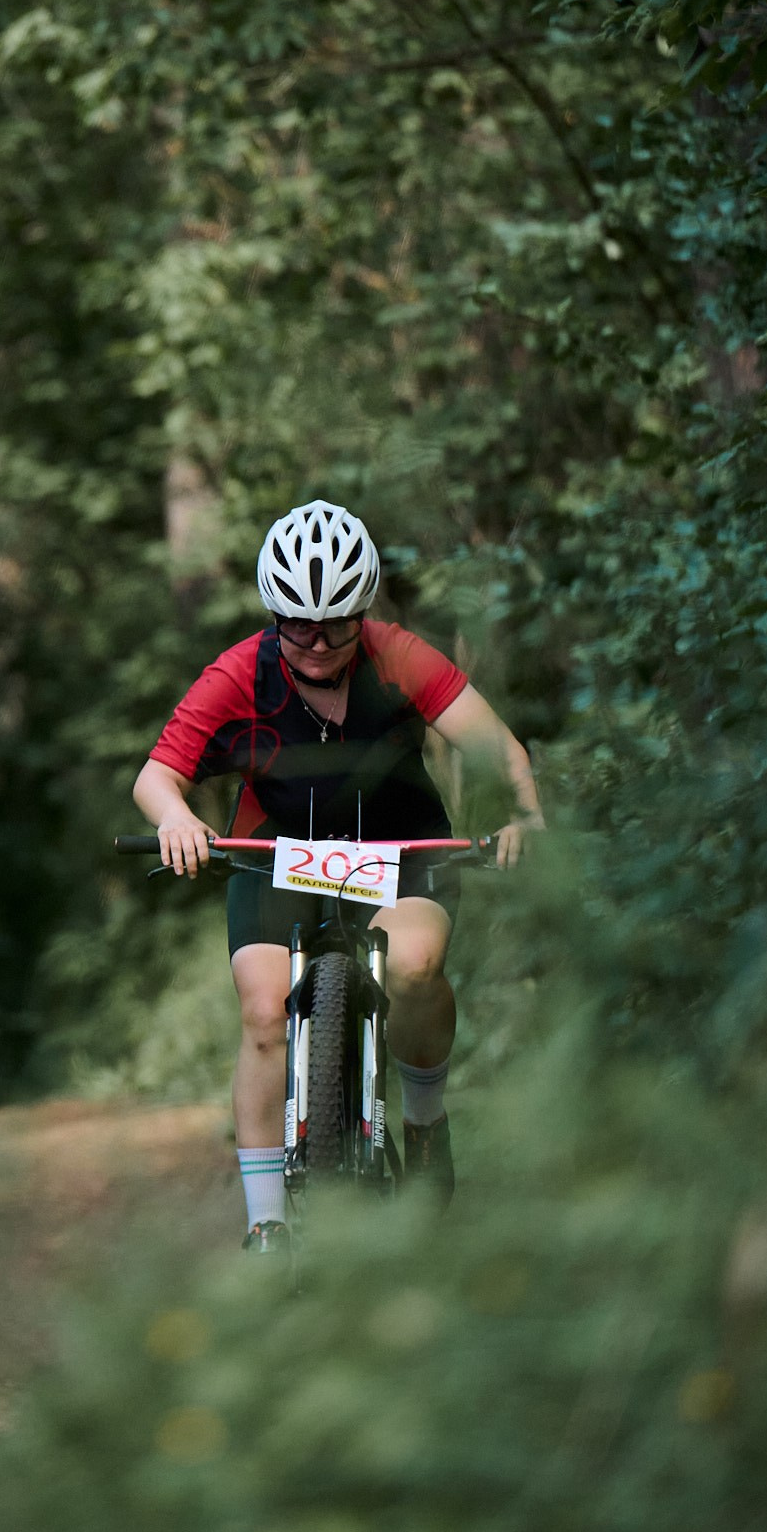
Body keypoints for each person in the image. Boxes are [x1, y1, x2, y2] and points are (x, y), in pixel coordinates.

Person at [132, 500, 544, 1252]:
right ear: (274, 612)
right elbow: (157, 776)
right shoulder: (239, 673)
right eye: (299, 624)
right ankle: (266, 1221)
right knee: (265, 1012)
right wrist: (176, 819)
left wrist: (526, 816)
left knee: (415, 966)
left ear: (363, 612)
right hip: (276, 855)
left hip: (402, 850)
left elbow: (500, 749)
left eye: (337, 623)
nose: (318, 642)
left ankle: (424, 1120)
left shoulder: (399, 656)